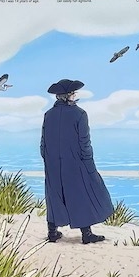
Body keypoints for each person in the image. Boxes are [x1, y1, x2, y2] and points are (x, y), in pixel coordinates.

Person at [40, 79, 114, 244]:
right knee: (81, 194)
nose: (75, 95)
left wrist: (47, 158)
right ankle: (86, 234)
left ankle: (52, 232)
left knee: (54, 194)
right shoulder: (79, 114)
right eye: (73, 93)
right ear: (69, 95)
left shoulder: (48, 115)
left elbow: (43, 142)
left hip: (53, 162)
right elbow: (84, 142)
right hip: (75, 161)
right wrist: (89, 163)